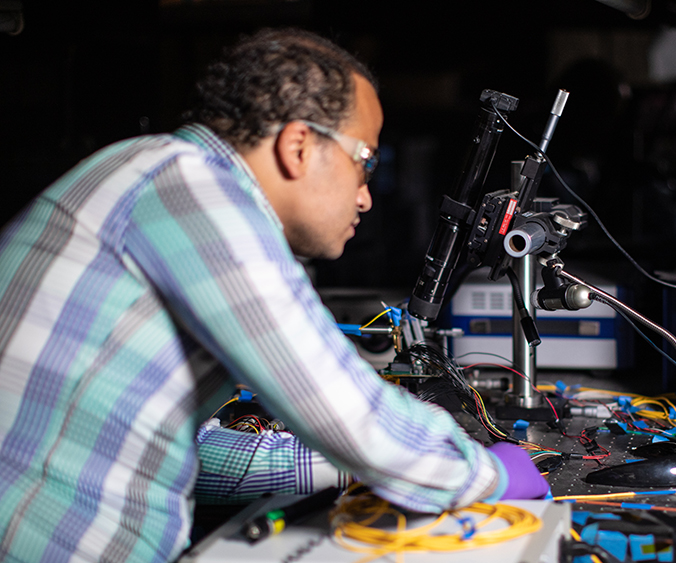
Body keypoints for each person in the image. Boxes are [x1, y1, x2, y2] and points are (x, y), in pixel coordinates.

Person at [0, 28, 547, 563]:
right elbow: (338, 403)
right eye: (365, 162)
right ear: (298, 145)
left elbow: (178, 453)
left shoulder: (151, 171)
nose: (365, 197)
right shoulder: (193, 192)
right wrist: (486, 472)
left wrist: (346, 465)